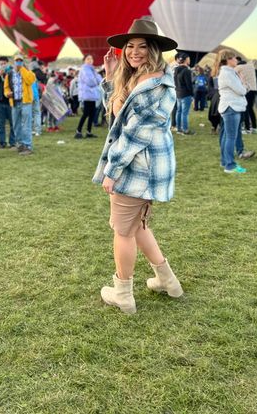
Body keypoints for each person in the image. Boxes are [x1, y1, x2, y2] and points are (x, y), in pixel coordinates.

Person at [93, 19, 183, 315]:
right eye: (130, 46)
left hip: (136, 166)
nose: (134, 52)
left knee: (122, 231)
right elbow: (120, 117)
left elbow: (134, 134)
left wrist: (113, 170)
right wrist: (110, 78)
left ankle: (123, 293)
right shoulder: (142, 80)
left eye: (143, 47)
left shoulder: (151, 85)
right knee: (138, 225)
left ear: (154, 50)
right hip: (146, 166)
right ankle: (168, 281)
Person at [214, 50, 254, 175]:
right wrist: (243, 83)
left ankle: (225, 161)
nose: (236, 60)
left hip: (230, 107)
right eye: (234, 58)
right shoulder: (228, 73)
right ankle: (230, 165)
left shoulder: (228, 72)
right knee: (231, 137)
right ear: (228, 60)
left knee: (226, 136)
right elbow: (241, 91)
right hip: (232, 107)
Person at [4, 54, 36, 155]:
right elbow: (6, 87)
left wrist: (22, 70)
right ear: (14, 62)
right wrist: (7, 93)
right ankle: (20, 144)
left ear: (23, 62)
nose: (18, 62)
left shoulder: (28, 72)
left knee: (26, 125)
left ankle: (27, 146)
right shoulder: (9, 74)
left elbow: (30, 81)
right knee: (16, 125)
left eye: (20, 60)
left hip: (25, 102)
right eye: (17, 60)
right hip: (14, 102)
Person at [74, 54, 102, 139]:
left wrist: (96, 81)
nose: (90, 60)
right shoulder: (85, 69)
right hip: (87, 94)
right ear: (84, 60)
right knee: (86, 113)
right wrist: (97, 81)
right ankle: (78, 131)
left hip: (92, 94)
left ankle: (89, 132)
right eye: (88, 59)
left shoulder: (92, 69)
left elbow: (99, 80)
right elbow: (91, 82)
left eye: (91, 58)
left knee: (92, 114)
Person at [174, 53, 194, 135]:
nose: (189, 60)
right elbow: (189, 84)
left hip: (178, 92)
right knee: (184, 113)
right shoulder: (187, 71)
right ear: (186, 60)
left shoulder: (176, 69)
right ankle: (185, 129)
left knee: (179, 111)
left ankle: (178, 128)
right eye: (188, 58)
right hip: (186, 94)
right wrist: (192, 94)